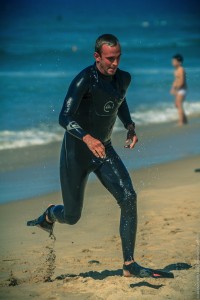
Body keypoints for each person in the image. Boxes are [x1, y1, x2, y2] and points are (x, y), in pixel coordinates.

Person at [27, 34, 173, 279]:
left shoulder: (123, 79)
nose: (114, 63)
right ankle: (50, 214)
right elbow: (64, 117)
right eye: (109, 58)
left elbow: (120, 103)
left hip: (104, 150)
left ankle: (129, 264)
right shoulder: (85, 79)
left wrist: (130, 127)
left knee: (128, 197)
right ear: (97, 57)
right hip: (76, 154)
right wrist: (87, 138)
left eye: (118, 58)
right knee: (72, 216)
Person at [170, 54, 188, 125]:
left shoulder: (181, 69)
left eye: (174, 61)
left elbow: (182, 81)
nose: (173, 62)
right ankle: (185, 120)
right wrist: (173, 88)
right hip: (178, 89)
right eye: (172, 61)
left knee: (179, 104)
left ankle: (181, 122)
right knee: (177, 104)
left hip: (182, 89)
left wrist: (176, 89)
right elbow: (176, 80)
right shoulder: (176, 70)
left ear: (179, 62)